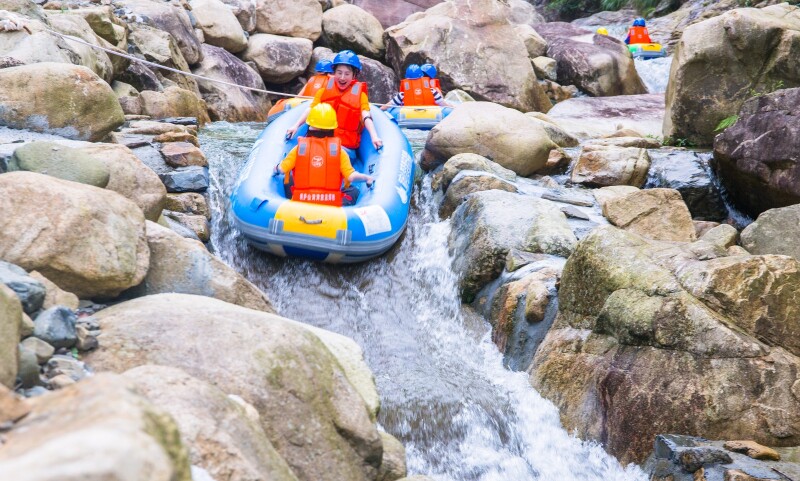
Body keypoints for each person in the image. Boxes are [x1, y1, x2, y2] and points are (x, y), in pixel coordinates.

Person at [286, 50, 382, 159]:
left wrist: (374, 136)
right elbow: (312, 109)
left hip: (345, 148)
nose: (342, 77)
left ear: (354, 75)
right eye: (339, 72)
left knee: (330, 154)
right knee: (304, 151)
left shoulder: (360, 96)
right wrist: (295, 126)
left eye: (347, 73)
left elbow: (366, 116)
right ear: (334, 73)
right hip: (321, 141)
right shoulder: (323, 91)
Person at [274, 103, 374, 207]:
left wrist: (275, 169)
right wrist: (367, 178)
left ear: (310, 127)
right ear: (332, 129)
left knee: (289, 178)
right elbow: (352, 177)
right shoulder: (340, 152)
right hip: (330, 206)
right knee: (353, 191)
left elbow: (281, 169)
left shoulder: (299, 149)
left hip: (301, 203)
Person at [381, 64, 451, 110]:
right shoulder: (433, 92)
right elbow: (445, 105)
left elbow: (386, 106)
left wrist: (378, 111)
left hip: (407, 117)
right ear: (421, 78)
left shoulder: (402, 95)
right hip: (431, 116)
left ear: (407, 79)